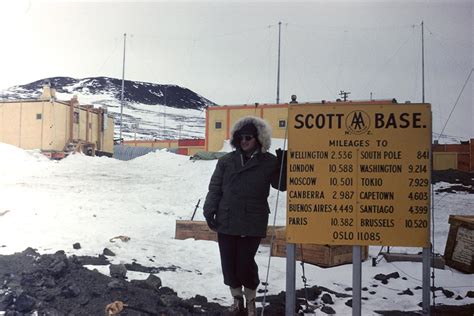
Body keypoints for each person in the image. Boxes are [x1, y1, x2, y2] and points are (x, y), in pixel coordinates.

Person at [203, 116, 287, 316]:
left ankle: (251, 301)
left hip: (252, 221)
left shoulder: (269, 162)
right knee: (229, 266)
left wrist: (285, 165)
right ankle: (237, 301)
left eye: (248, 137)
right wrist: (209, 210)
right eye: (241, 137)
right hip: (227, 219)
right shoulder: (226, 161)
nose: (244, 141)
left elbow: (281, 185)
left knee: (244, 265)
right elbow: (215, 188)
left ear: (258, 138)